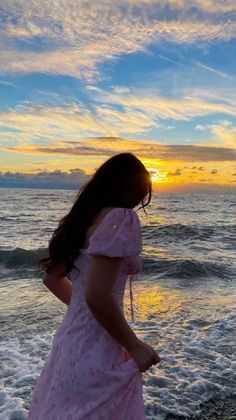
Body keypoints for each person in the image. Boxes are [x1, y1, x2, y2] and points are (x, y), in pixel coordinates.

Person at [28, 152, 161, 420]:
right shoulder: (121, 218)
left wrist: (88, 308)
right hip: (98, 347)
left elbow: (52, 279)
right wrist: (134, 344)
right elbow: (98, 297)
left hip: (69, 343)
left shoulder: (84, 220)